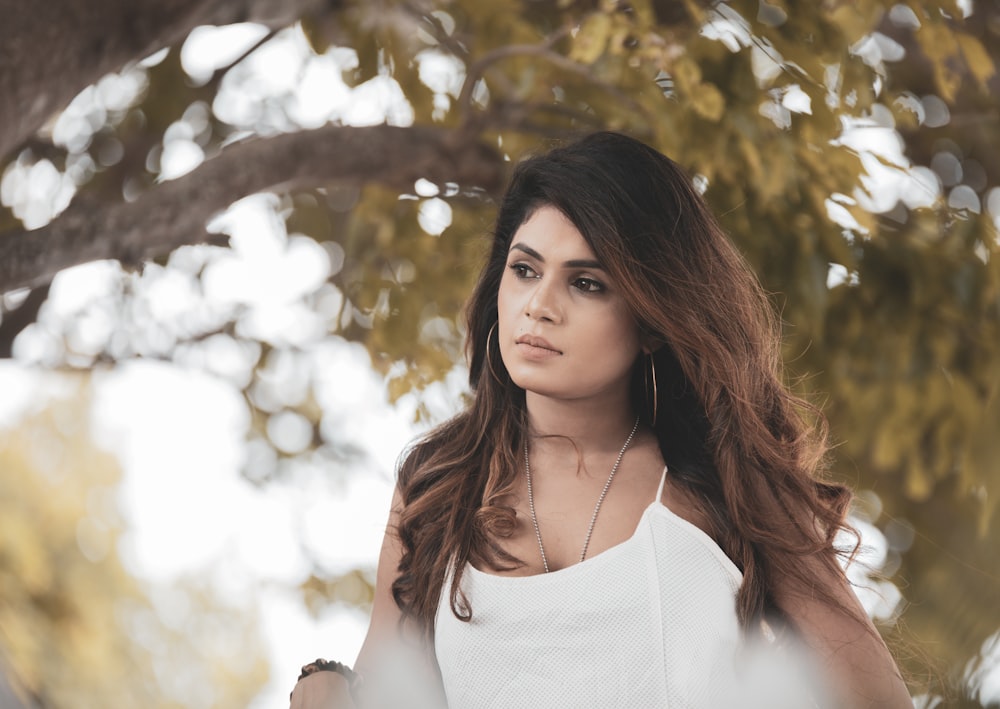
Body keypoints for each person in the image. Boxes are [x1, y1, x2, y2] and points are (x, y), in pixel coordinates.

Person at [289, 132, 913, 708]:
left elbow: (878, 699)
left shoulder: (725, 485)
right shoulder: (438, 485)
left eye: (586, 284)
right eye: (525, 269)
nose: (539, 306)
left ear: (650, 320)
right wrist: (326, 682)